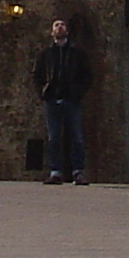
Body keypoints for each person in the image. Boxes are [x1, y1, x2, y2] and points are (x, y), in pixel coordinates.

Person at [33, 18, 93, 184]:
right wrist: (43, 93)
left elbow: (87, 75)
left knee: (76, 137)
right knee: (54, 137)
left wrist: (78, 93)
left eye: (62, 25)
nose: (60, 27)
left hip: (71, 100)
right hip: (52, 100)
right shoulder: (45, 54)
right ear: (52, 32)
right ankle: (55, 171)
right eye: (56, 25)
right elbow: (37, 75)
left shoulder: (77, 53)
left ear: (67, 30)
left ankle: (78, 171)